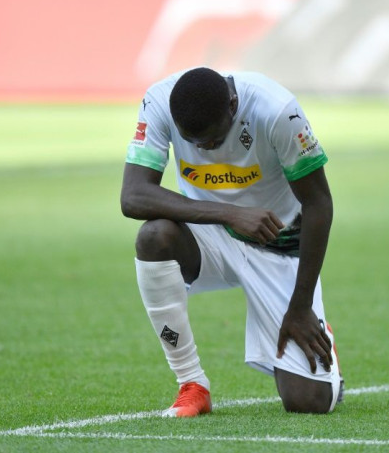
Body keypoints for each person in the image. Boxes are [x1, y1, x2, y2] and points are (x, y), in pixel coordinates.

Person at [120, 67, 343, 416]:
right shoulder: (159, 102)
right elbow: (132, 196)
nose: (203, 149)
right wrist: (228, 214)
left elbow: (319, 204)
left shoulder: (277, 110)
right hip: (210, 236)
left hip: (278, 243)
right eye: (192, 143)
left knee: (307, 402)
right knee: (154, 237)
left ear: (233, 106)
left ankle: (319, 326)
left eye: (211, 140)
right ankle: (192, 383)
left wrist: (300, 306)